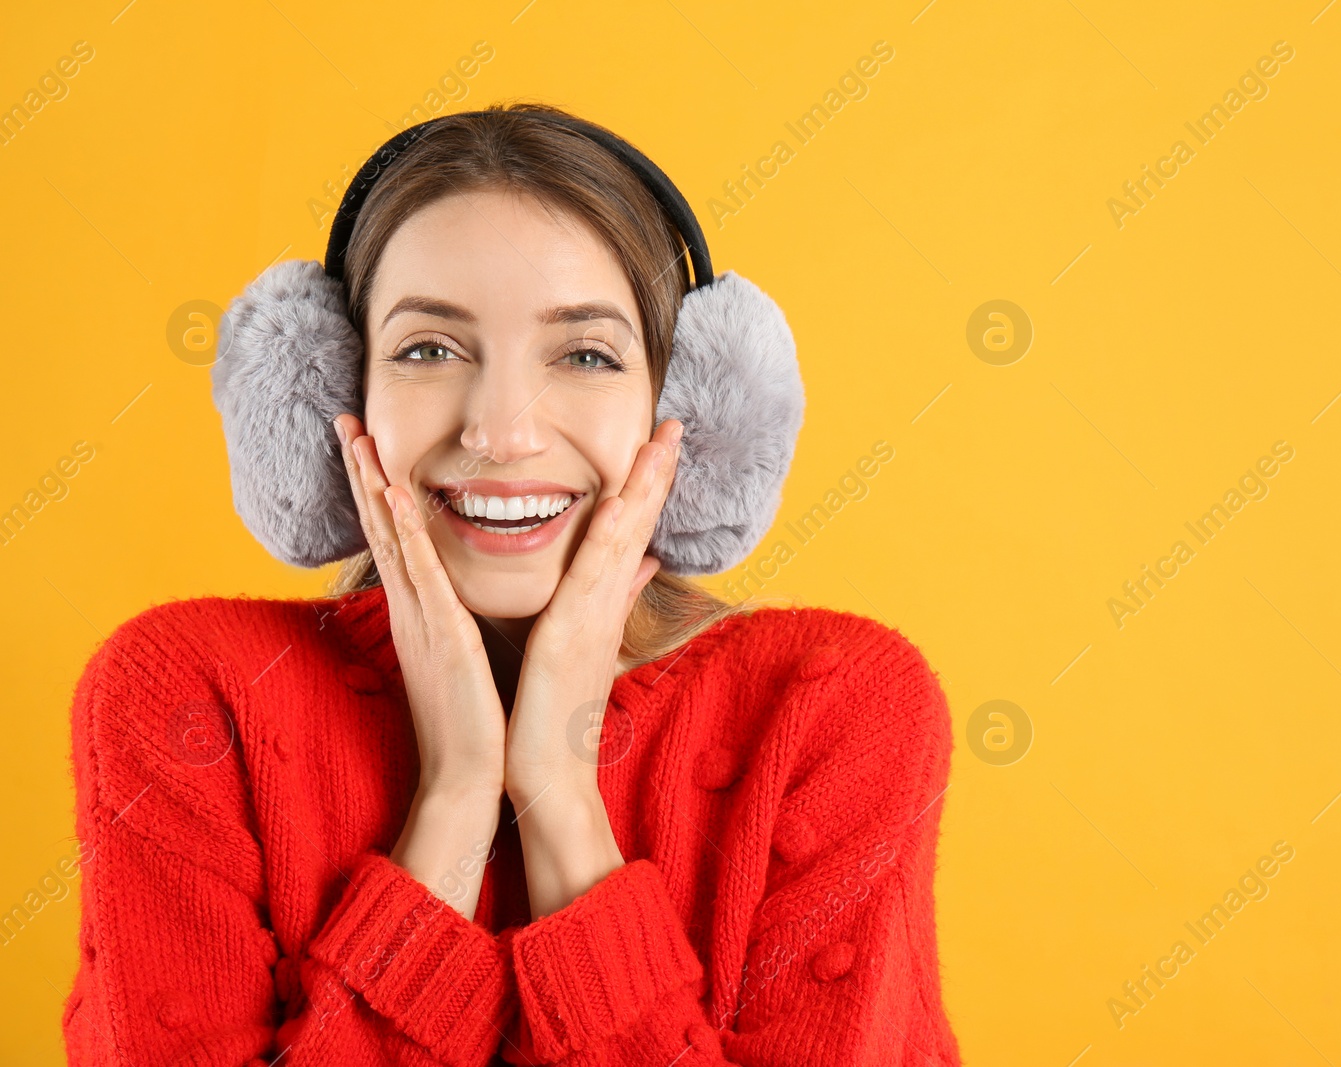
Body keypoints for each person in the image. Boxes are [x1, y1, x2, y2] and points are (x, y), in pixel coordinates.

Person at [62, 102, 961, 1065]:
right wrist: (451, 799)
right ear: (331, 396)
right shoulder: (188, 697)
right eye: (427, 349)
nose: (501, 432)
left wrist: (560, 794)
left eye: (584, 354)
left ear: (687, 410)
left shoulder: (834, 708)